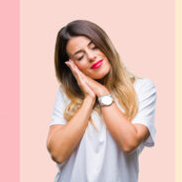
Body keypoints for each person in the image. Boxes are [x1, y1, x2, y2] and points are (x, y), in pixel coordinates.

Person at [46, 20, 157, 182]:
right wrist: (89, 98)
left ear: (105, 44)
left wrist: (103, 94)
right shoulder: (66, 93)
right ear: (72, 66)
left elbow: (129, 142)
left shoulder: (142, 88)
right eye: (80, 56)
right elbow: (57, 153)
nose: (91, 57)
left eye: (94, 47)